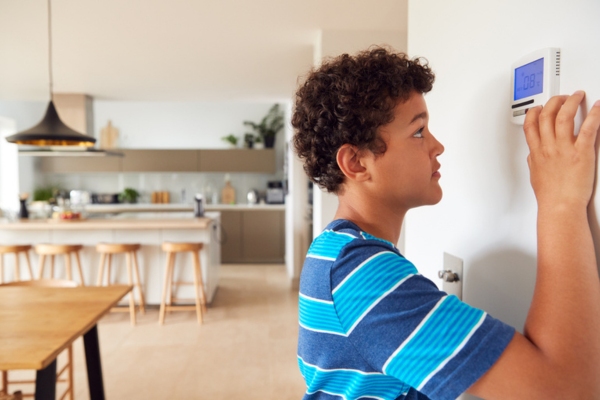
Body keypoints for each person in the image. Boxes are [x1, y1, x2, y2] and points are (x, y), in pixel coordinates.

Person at [291, 47, 600, 399]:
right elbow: (566, 392)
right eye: (419, 131)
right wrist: (561, 203)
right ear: (357, 162)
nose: (437, 146)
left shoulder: (332, 253)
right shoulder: (361, 276)